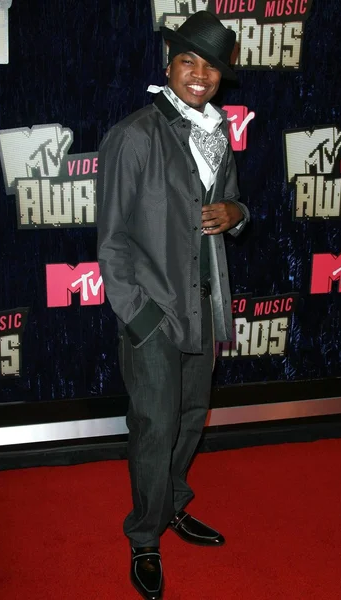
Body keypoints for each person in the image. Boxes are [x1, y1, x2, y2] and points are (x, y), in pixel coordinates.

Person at [97, 11, 250, 600]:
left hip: (205, 306)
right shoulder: (134, 136)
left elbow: (229, 202)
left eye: (211, 65)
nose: (200, 74)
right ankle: (144, 536)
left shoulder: (217, 134)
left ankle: (174, 504)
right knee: (156, 427)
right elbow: (111, 242)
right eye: (190, 60)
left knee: (190, 419)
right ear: (170, 65)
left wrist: (238, 214)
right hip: (155, 313)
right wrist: (141, 320)